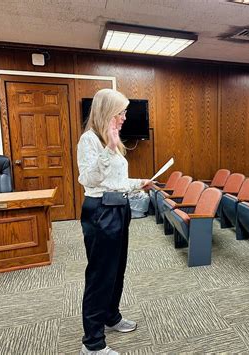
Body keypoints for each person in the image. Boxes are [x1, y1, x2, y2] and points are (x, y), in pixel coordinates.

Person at [77, 88, 152, 354]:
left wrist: (139, 183)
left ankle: (111, 316)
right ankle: (93, 344)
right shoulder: (90, 140)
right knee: (100, 274)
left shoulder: (114, 141)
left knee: (117, 269)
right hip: (100, 211)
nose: (124, 117)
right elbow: (89, 180)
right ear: (107, 112)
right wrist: (108, 149)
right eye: (120, 112)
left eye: (124, 112)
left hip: (119, 208)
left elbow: (115, 183)